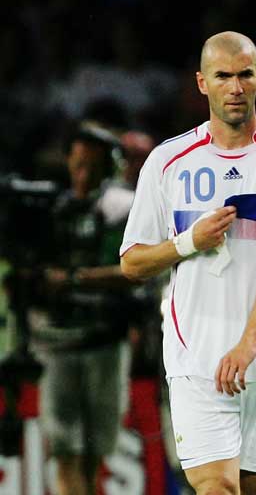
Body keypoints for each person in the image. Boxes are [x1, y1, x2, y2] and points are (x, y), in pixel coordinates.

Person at [120, 31, 256, 495]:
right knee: (217, 489)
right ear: (202, 83)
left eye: (244, 75)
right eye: (223, 76)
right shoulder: (167, 161)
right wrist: (189, 241)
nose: (235, 86)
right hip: (196, 358)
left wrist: (249, 344)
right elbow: (132, 262)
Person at [29, 123, 135, 495]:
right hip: (55, 342)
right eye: (77, 165)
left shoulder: (123, 208)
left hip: (105, 340)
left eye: (93, 166)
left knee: (96, 451)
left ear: (110, 168)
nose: (83, 175)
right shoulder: (51, 210)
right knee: (63, 448)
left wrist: (74, 279)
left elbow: (133, 270)